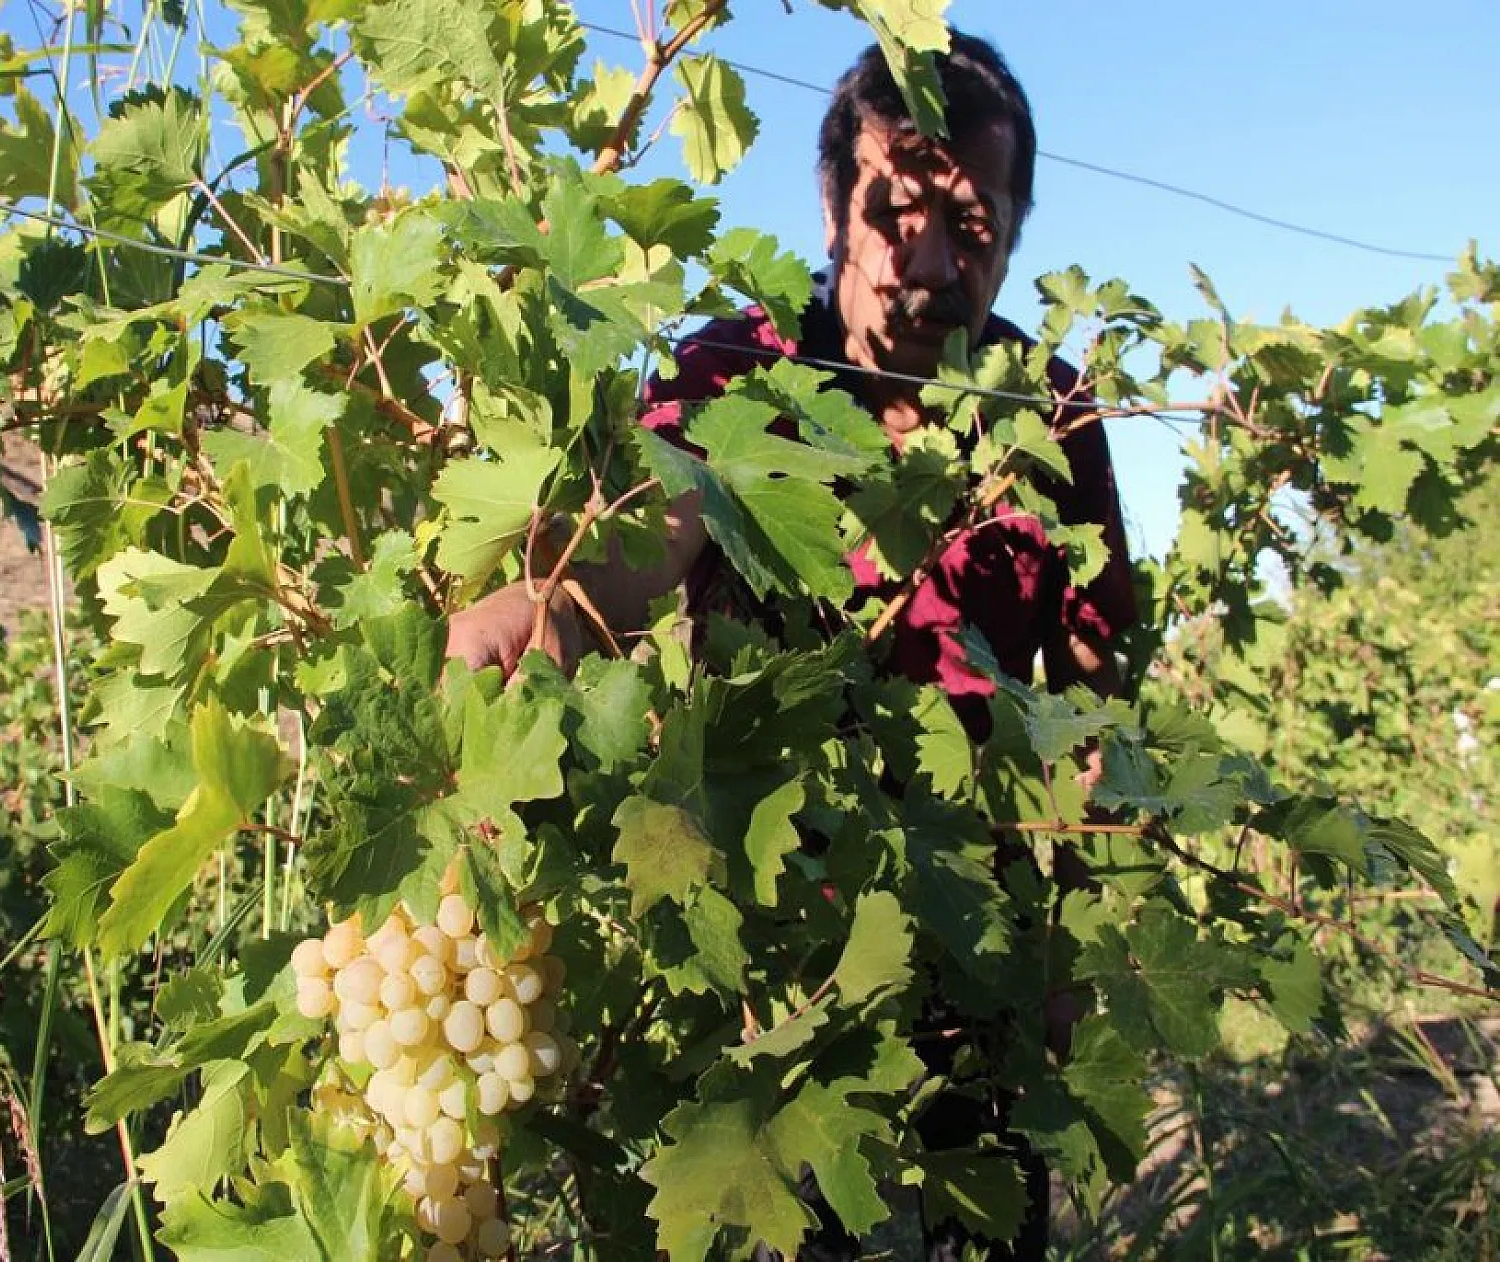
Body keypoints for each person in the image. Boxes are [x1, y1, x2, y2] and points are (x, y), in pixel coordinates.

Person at [447, 33, 1136, 1260]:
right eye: (894, 209)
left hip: (977, 956)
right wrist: (545, 608)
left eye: (970, 225)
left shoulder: (1052, 413)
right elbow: (648, 533)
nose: (924, 263)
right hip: (767, 979)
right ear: (829, 204)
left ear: (1018, 231)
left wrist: (1062, 945)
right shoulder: (739, 368)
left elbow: (1089, 696)